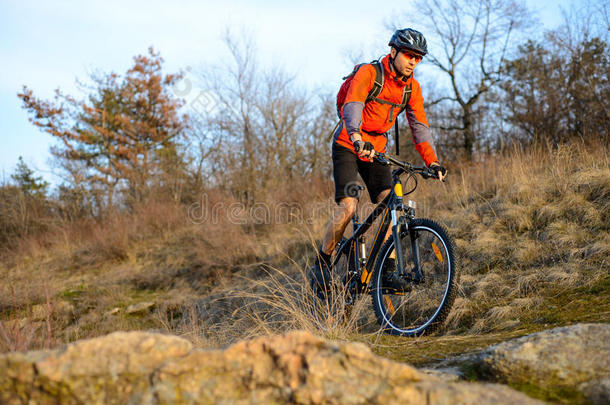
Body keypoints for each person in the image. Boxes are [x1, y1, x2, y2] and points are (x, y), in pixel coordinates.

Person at [311, 28, 447, 290]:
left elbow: (419, 126)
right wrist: (356, 136)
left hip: (377, 151)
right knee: (349, 206)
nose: (413, 62)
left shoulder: (411, 88)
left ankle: (387, 271)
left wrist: (432, 162)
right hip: (348, 145)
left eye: (418, 58)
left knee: (392, 206)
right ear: (393, 51)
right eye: (409, 55)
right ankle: (323, 263)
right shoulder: (370, 74)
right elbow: (353, 105)